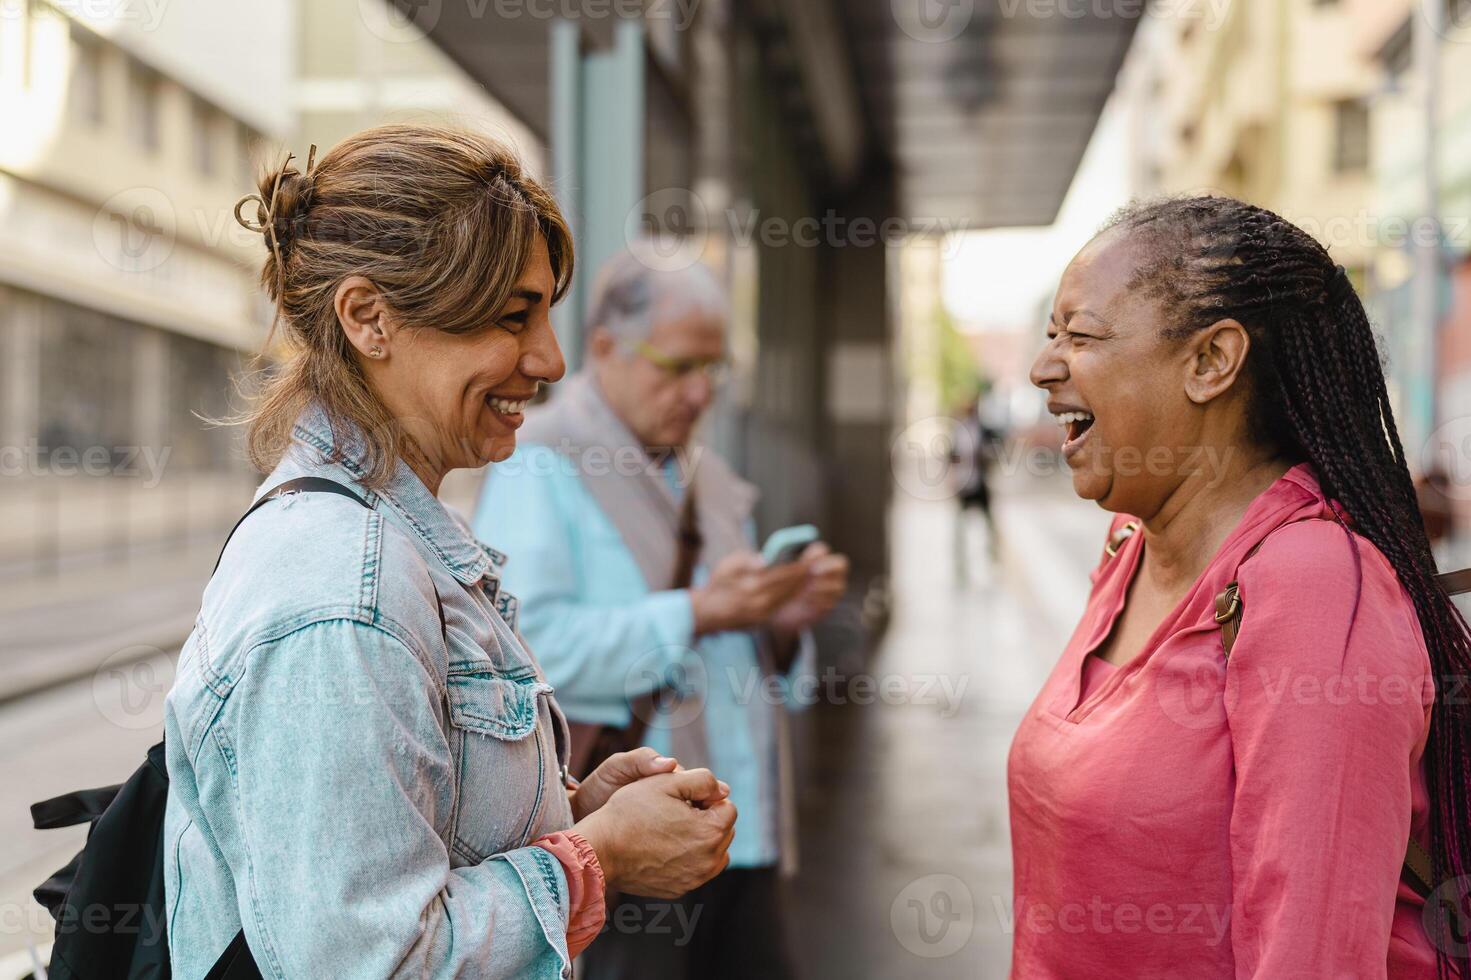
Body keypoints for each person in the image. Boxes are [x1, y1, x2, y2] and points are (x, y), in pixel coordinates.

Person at [163, 125, 736, 979]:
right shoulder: (339, 595)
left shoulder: (387, 537)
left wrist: (573, 809)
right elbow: (373, 962)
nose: (549, 359)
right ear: (369, 318)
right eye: (513, 316)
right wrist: (595, 860)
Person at [1013, 195, 1470, 978]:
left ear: (1210, 362)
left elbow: (1313, 957)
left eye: (1080, 335)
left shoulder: (1315, 588)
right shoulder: (1129, 545)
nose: (1042, 366)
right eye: (1051, 334)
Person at [474, 248, 849, 979]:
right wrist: (699, 611)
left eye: (712, 369)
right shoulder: (539, 460)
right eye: (678, 365)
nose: (699, 392)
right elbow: (527, 648)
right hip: (633, 852)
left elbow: (744, 652)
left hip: (740, 835)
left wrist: (781, 618)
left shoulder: (701, 472)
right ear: (604, 347)